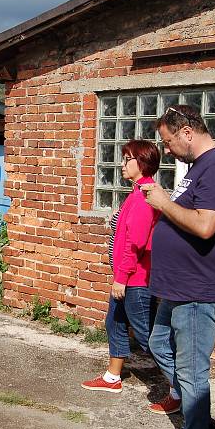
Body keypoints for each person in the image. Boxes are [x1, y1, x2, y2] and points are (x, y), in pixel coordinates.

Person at [141, 105, 215, 429]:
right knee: (158, 343)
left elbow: (204, 227)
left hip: (200, 290)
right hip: (182, 287)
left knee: (192, 369)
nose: (167, 150)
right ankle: (200, 422)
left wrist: (164, 203)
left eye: (168, 142)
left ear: (187, 132)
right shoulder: (199, 168)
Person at [81, 139, 160, 393]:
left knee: (149, 338)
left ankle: (181, 389)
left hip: (135, 280)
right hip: (127, 277)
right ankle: (112, 376)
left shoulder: (144, 197)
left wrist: (122, 277)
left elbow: (135, 243)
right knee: (114, 322)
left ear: (143, 162)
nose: (122, 164)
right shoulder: (137, 193)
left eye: (127, 159)